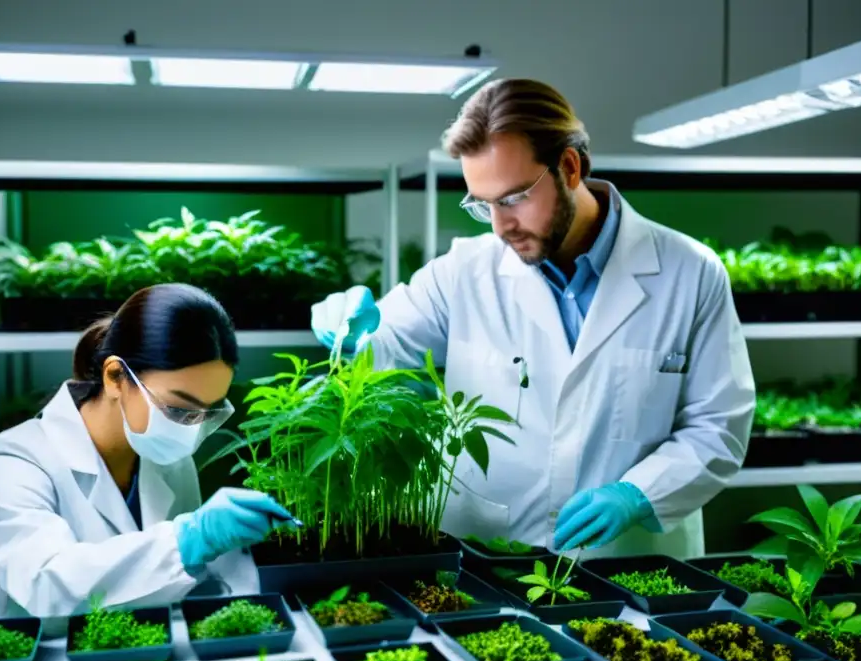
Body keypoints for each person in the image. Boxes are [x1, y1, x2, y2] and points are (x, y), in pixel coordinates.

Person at [311, 78, 755, 560]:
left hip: (627, 558)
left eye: (513, 198)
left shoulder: (689, 273)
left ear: (569, 167)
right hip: (490, 553)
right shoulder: (461, 272)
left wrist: (638, 494)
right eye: (482, 204)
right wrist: (353, 333)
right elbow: (385, 352)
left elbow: (719, 426)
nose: (501, 226)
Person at [0, 283, 294, 624]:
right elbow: (45, 585)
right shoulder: (16, 460)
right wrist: (190, 540)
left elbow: (172, 582)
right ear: (114, 377)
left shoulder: (169, 459)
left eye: (206, 412)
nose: (192, 427)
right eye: (179, 409)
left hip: (110, 653)